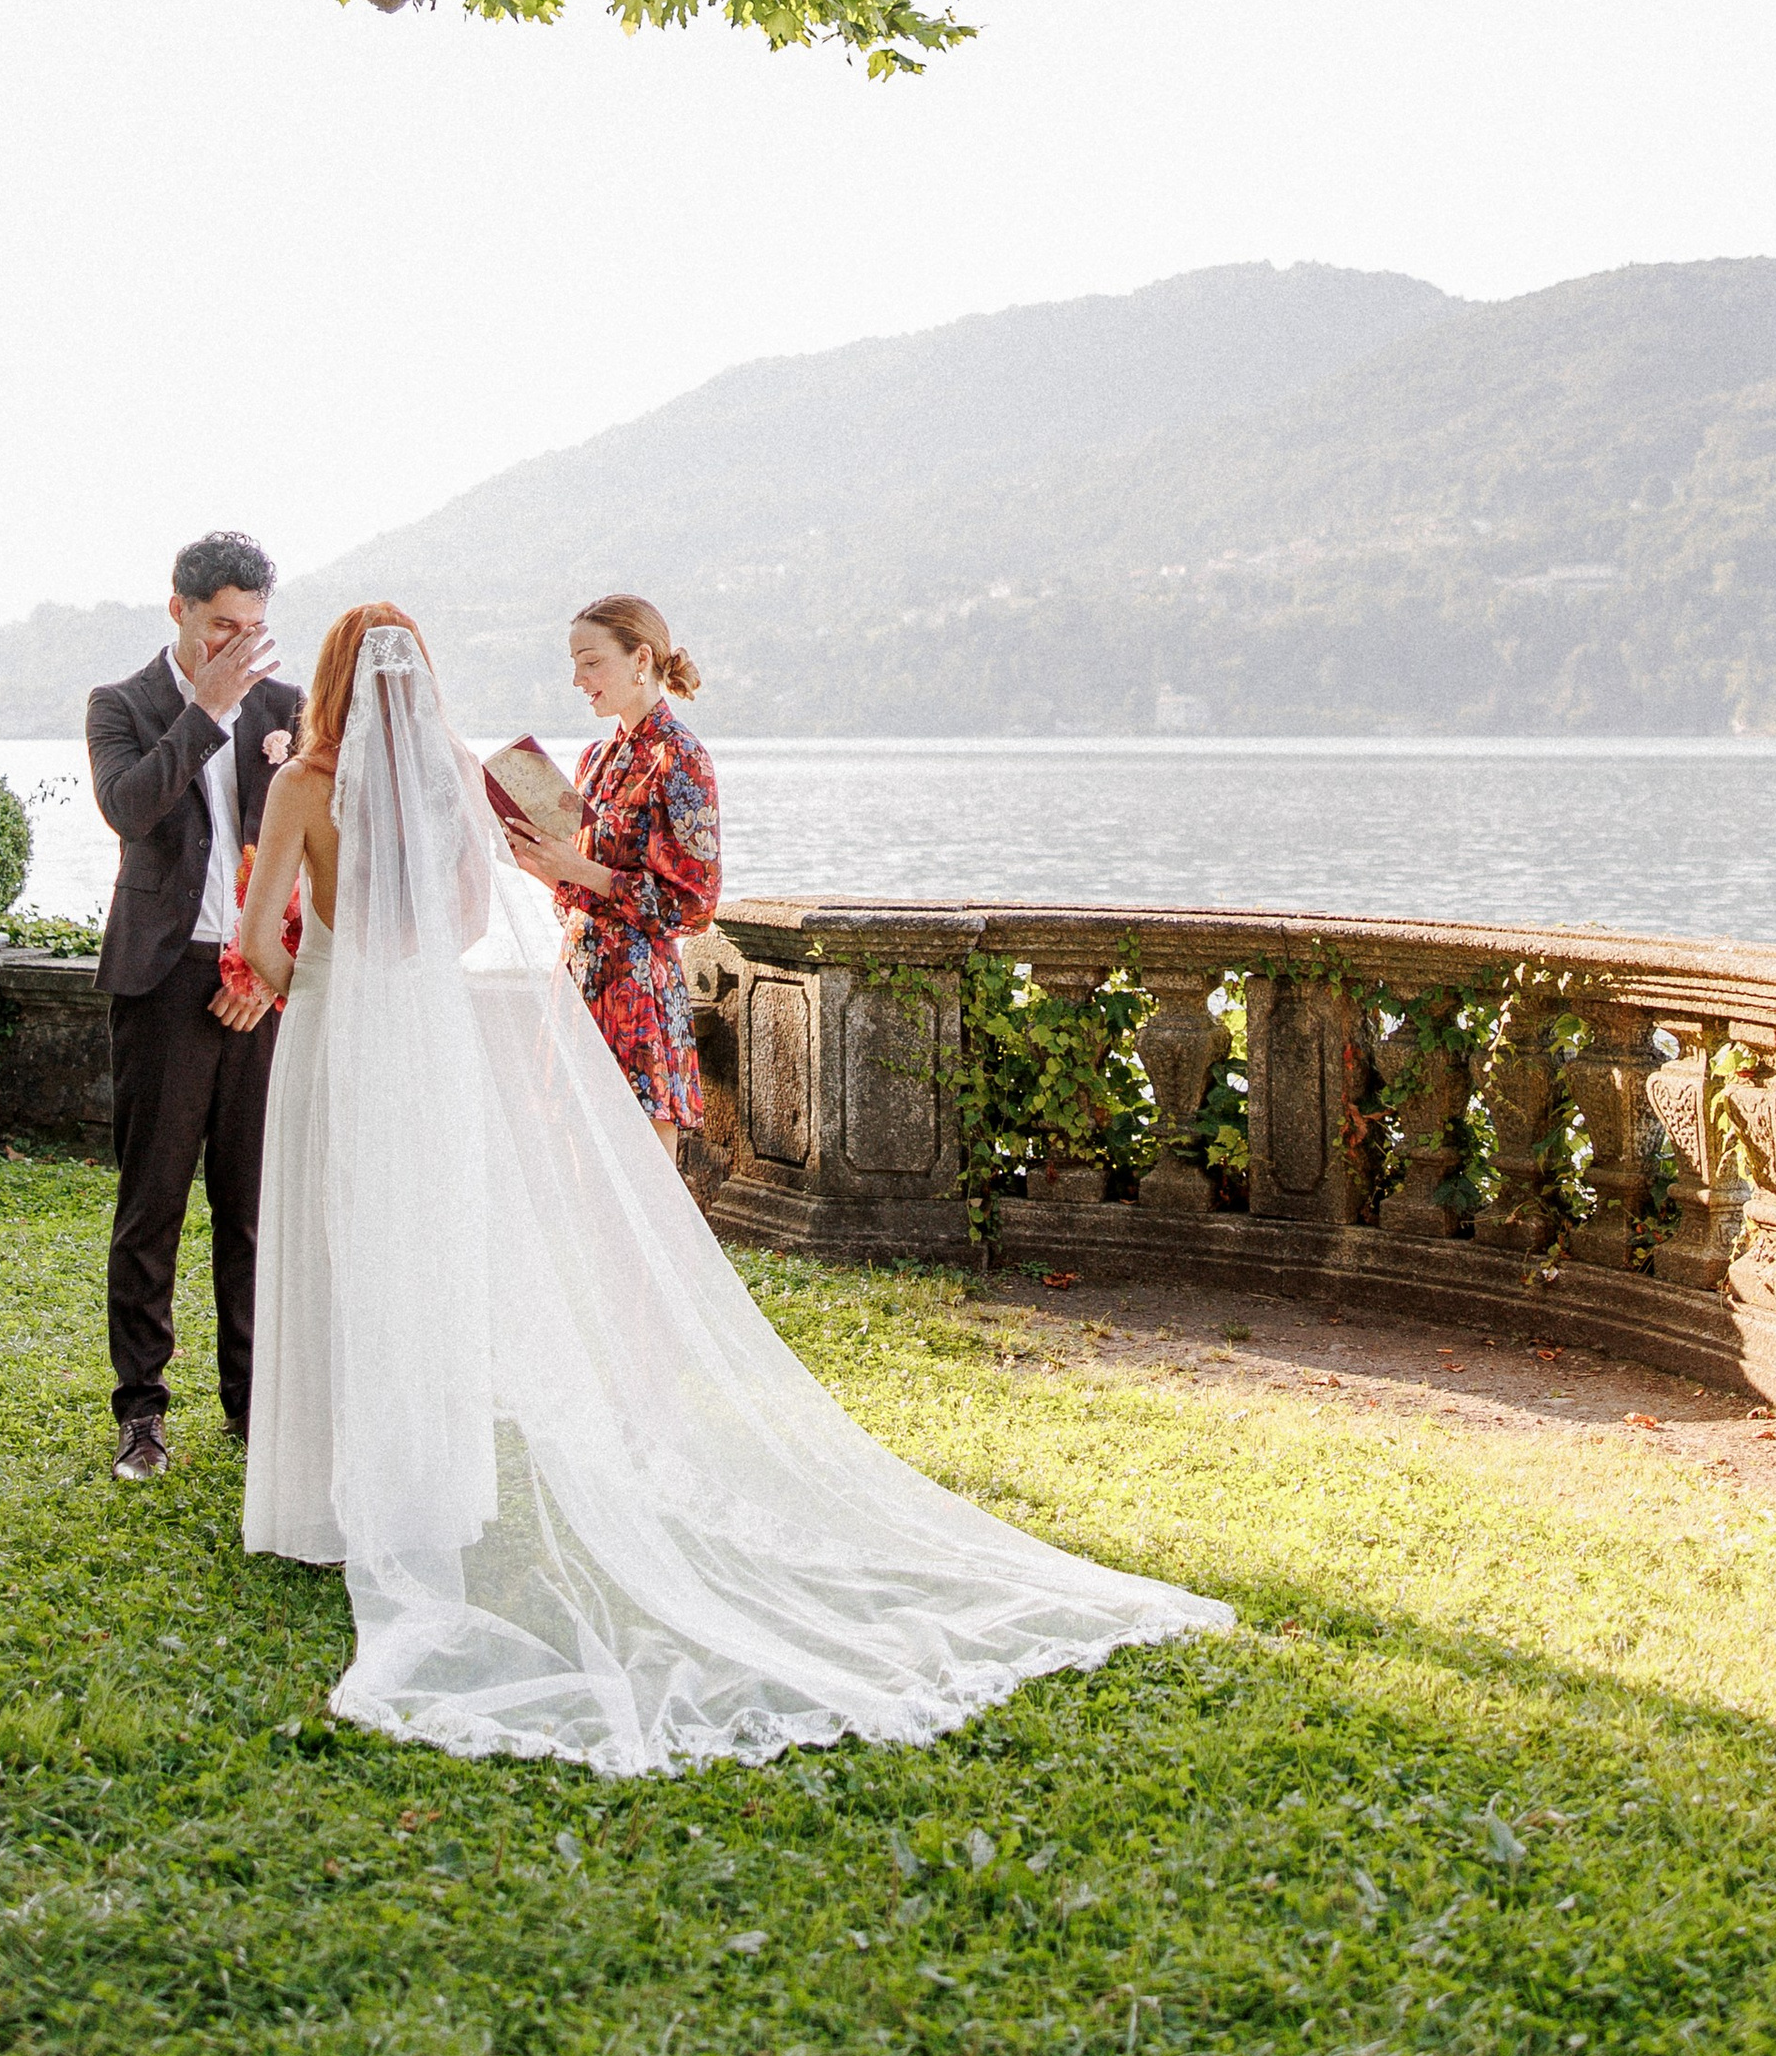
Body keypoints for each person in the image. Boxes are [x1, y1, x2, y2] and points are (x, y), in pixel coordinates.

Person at [232, 610, 1232, 1776]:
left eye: (592, 663)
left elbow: (262, 949)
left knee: (344, 1249)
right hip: (439, 1035)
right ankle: (439, 1495)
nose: (581, 679)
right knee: (431, 1254)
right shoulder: (469, 777)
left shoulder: (310, 787)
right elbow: (460, 925)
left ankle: (329, 1500)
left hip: (374, 1031)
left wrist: (345, 986)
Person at [85, 531, 303, 1485]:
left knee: (253, 1210)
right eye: (223, 626)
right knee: (153, 1206)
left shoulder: (288, 706)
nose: (240, 646)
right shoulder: (121, 704)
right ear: (178, 609)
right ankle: (141, 1415)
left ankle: (255, 1409)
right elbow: (130, 809)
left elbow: (307, 854)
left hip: (259, 980)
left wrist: (268, 971)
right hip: (163, 982)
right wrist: (206, 713)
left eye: (255, 630)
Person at [507, 593, 717, 1164]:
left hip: (639, 986)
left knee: (644, 1179)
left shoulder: (680, 758)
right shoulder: (594, 760)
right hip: (580, 974)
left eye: (591, 661)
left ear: (640, 658)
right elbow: (582, 890)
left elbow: (693, 904)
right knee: (576, 1165)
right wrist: (539, 862)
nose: (578, 678)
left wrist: (581, 871)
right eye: (574, 663)